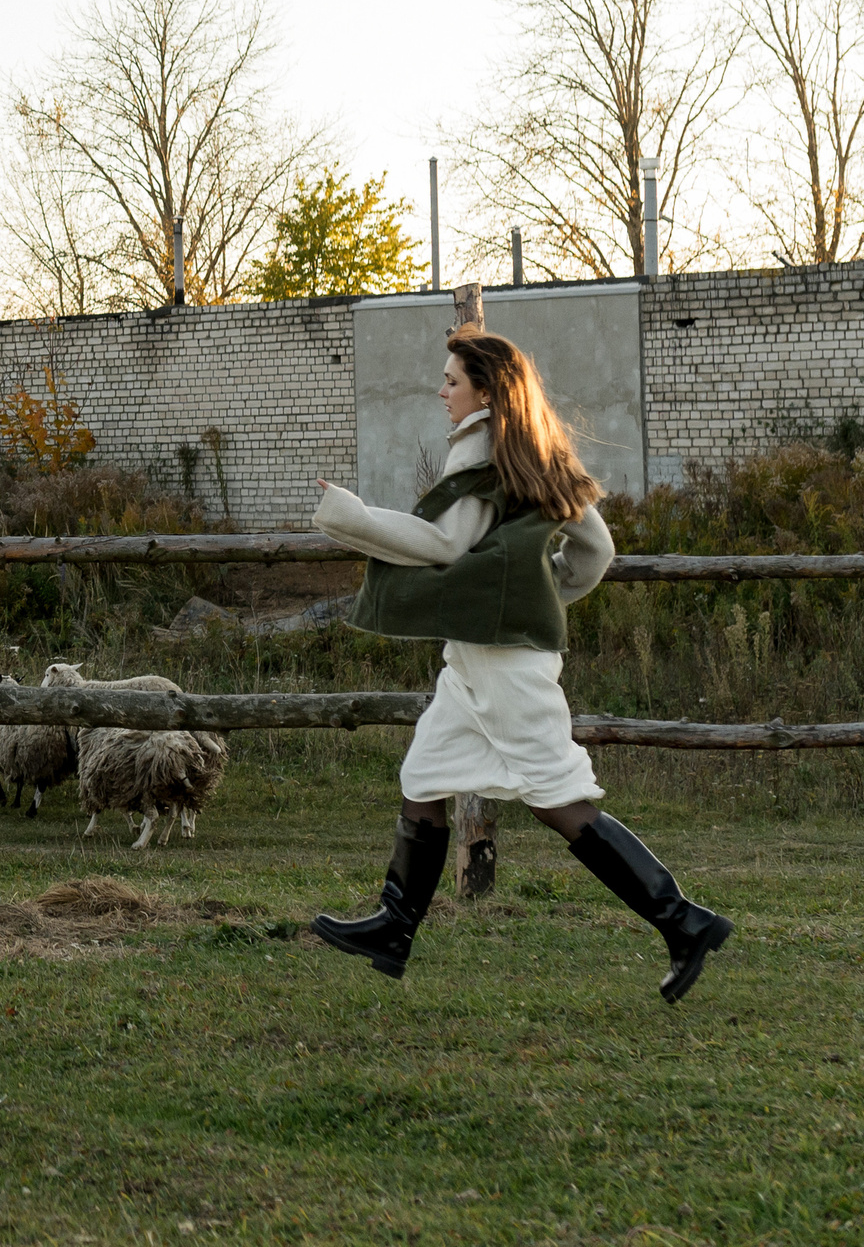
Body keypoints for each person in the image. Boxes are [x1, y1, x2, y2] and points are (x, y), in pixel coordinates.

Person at [308, 328, 731, 1003]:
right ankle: (394, 926)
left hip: (502, 665)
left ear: (485, 391)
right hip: (480, 658)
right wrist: (538, 592)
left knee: (558, 797)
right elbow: (594, 551)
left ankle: (684, 922)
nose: (442, 391)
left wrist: (350, 516)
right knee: (424, 775)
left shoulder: (480, 449)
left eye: (452, 380)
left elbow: (448, 542)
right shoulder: (539, 448)